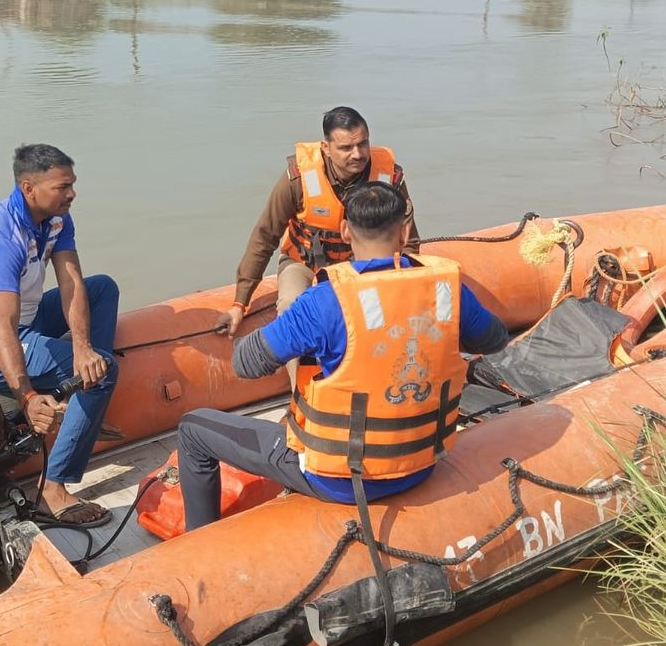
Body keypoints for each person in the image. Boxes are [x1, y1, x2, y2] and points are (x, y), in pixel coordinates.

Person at [178, 181, 508, 530]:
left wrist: (290, 326)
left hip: (341, 478)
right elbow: (495, 339)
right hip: (423, 461)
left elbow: (245, 364)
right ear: (405, 230)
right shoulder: (446, 288)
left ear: (345, 231)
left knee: (192, 428)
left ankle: (197, 542)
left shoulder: (323, 302)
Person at [0, 143, 119, 527]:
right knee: (105, 371)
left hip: (28, 318)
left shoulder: (55, 217)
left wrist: (83, 349)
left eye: (72, 184)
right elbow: (2, 326)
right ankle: (53, 488)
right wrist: (25, 396)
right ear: (28, 188)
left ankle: (84, 401)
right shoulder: (1, 237)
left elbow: (71, 280)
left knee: (103, 288)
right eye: (63, 187)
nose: (72, 193)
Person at [215, 106, 419, 390]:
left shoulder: (390, 177)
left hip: (362, 264)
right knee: (291, 304)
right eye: (346, 147)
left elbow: (409, 242)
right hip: (304, 263)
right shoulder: (297, 179)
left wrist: (404, 285)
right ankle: (303, 393)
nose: (358, 154)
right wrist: (240, 302)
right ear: (326, 148)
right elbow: (265, 235)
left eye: (363, 144)